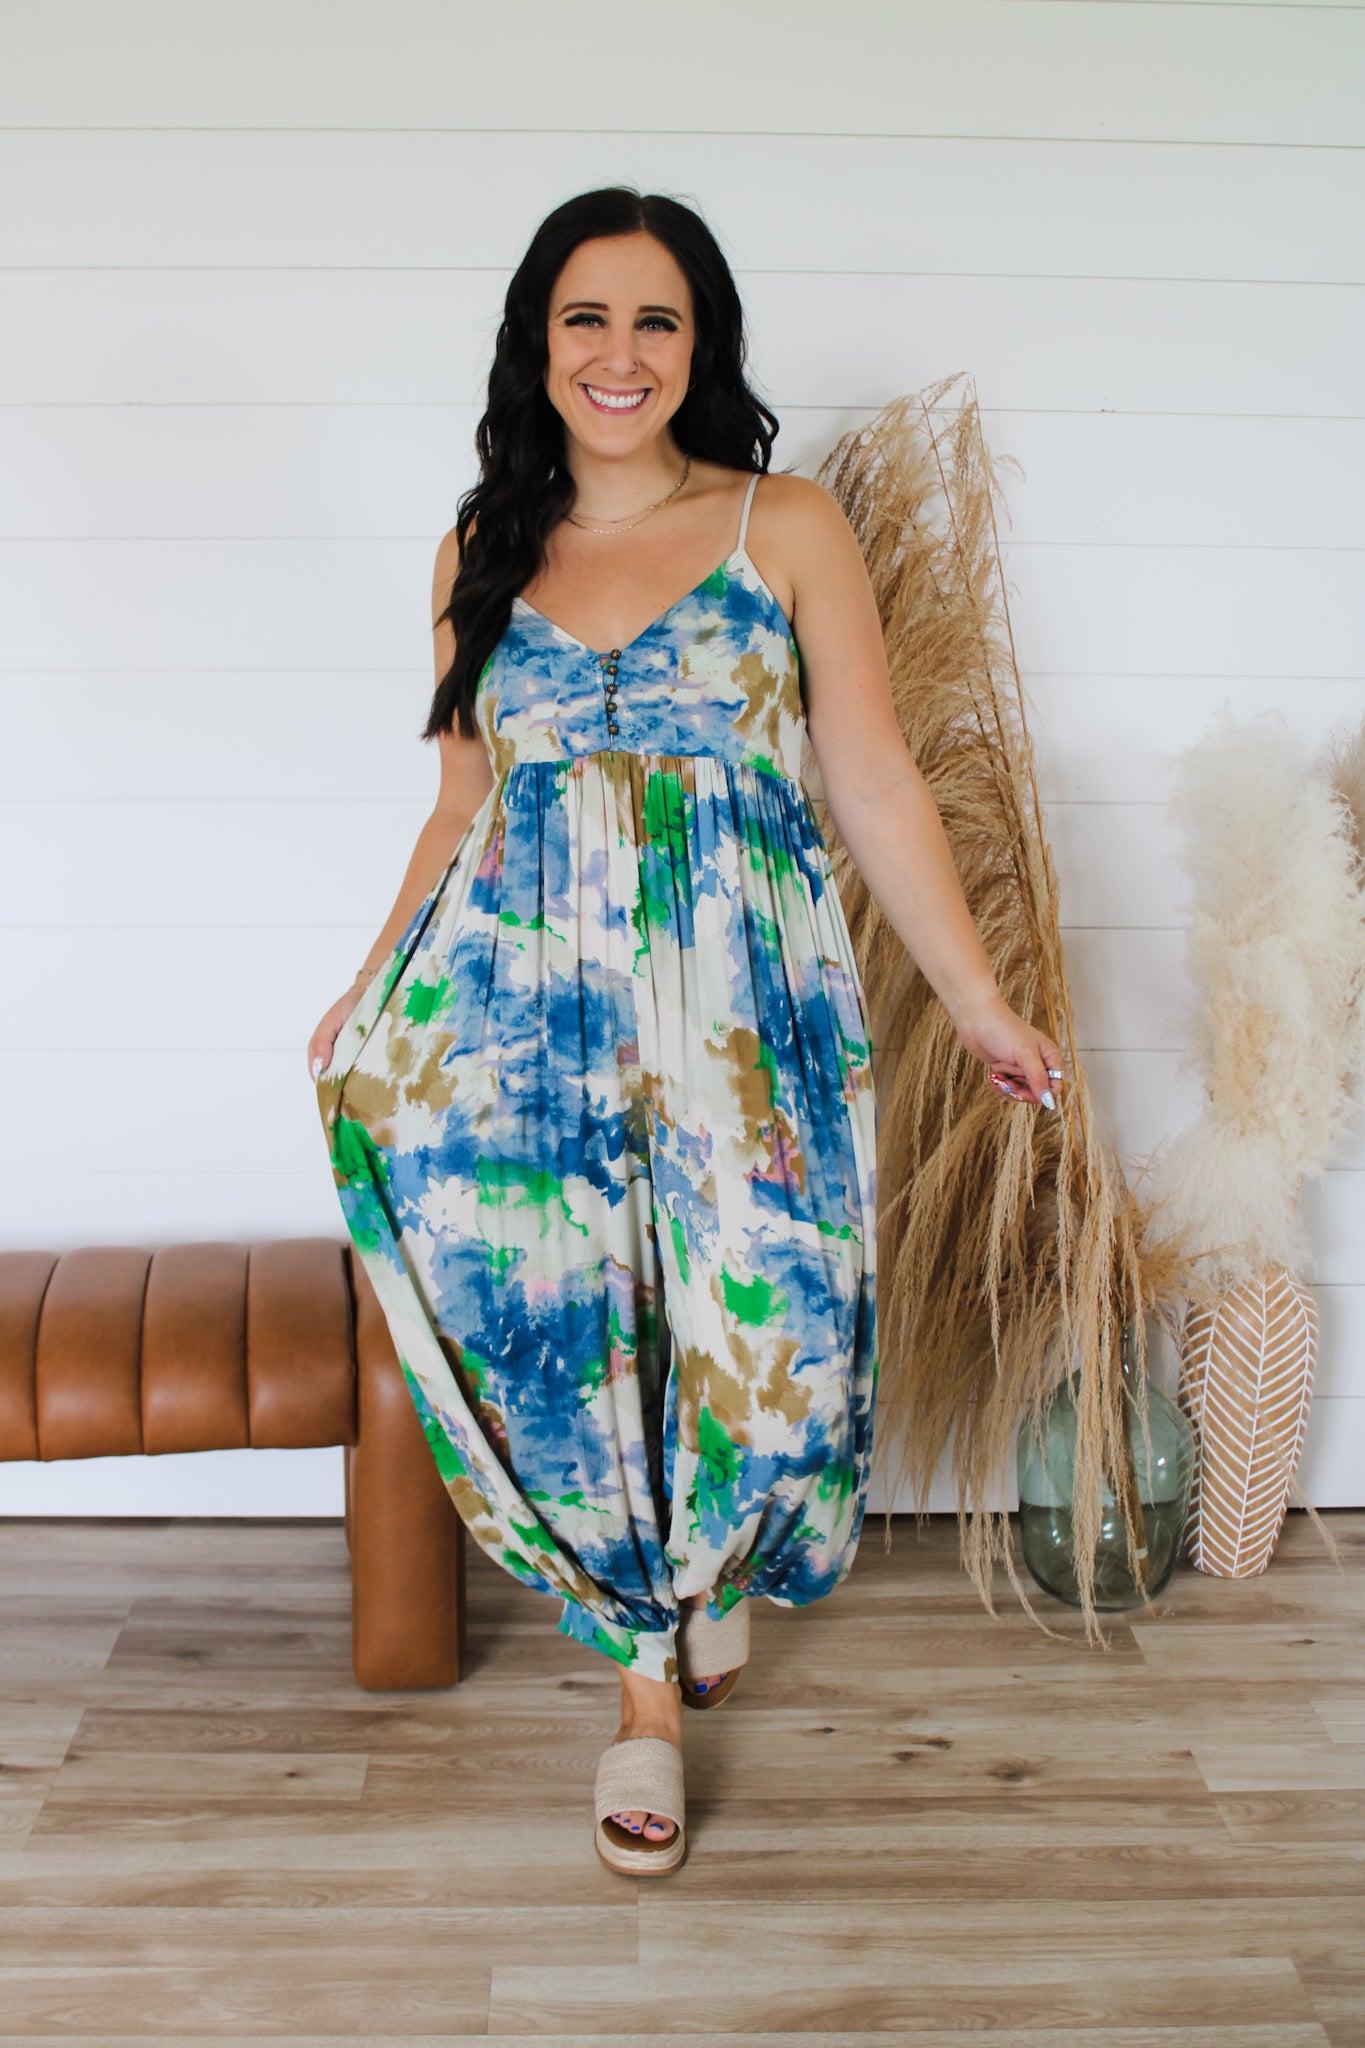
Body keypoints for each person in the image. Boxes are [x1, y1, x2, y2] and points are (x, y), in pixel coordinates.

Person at [307, 186, 1062, 1878]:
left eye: (655, 318)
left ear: (698, 341)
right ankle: (643, 1683)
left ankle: (711, 1572)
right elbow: (460, 805)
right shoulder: (478, 551)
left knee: (764, 1331)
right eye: (586, 316)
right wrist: (370, 988)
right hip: (522, 1017)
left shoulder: (778, 526)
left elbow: (870, 777)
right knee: (571, 1328)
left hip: (744, 1014)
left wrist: (978, 1000)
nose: (619, 353)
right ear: (537, 340)